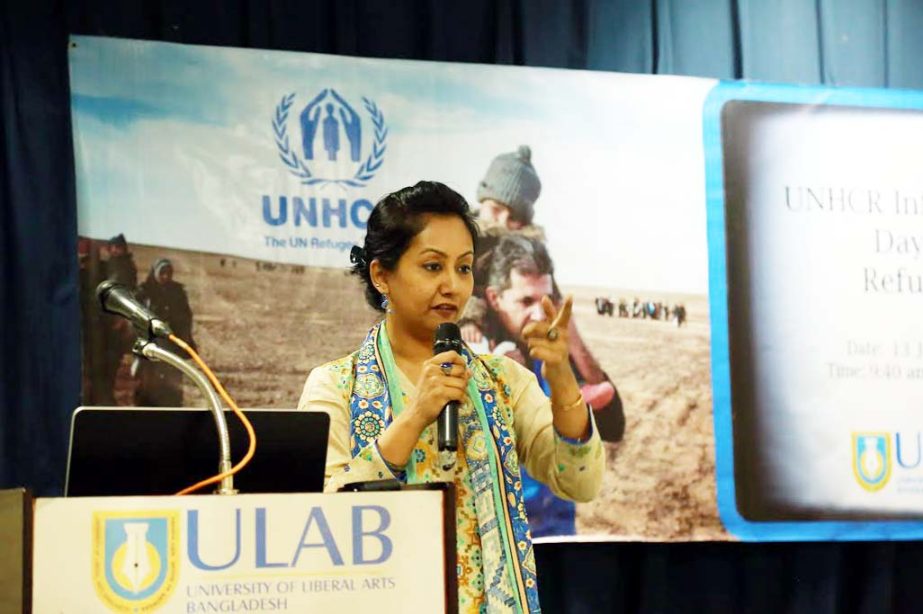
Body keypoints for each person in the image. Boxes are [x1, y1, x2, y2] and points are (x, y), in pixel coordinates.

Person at [298, 181, 604, 613]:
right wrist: (415, 416)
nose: (452, 286)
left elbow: (579, 481)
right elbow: (320, 523)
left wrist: (561, 373)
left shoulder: (503, 382)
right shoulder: (335, 386)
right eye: (431, 266)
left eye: (463, 268)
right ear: (381, 274)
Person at [464, 145, 622, 426]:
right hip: (478, 332)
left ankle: (570, 393)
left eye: (514, 217)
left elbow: (553, 301)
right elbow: (456, 285)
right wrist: (469, 318)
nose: (503, 223)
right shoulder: (464, 241)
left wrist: (566, 328)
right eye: (497, 209)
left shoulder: (530, 253)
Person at [133, 258, 196, 406]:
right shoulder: (144, 291)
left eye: (169, 273)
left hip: (172, 343)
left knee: (172, 384)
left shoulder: (177, 292)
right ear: (155, 272)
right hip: (150, 345)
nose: (165, 277)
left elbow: (186, 316)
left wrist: (183, 336)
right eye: (162, 273)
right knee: (147, 383)